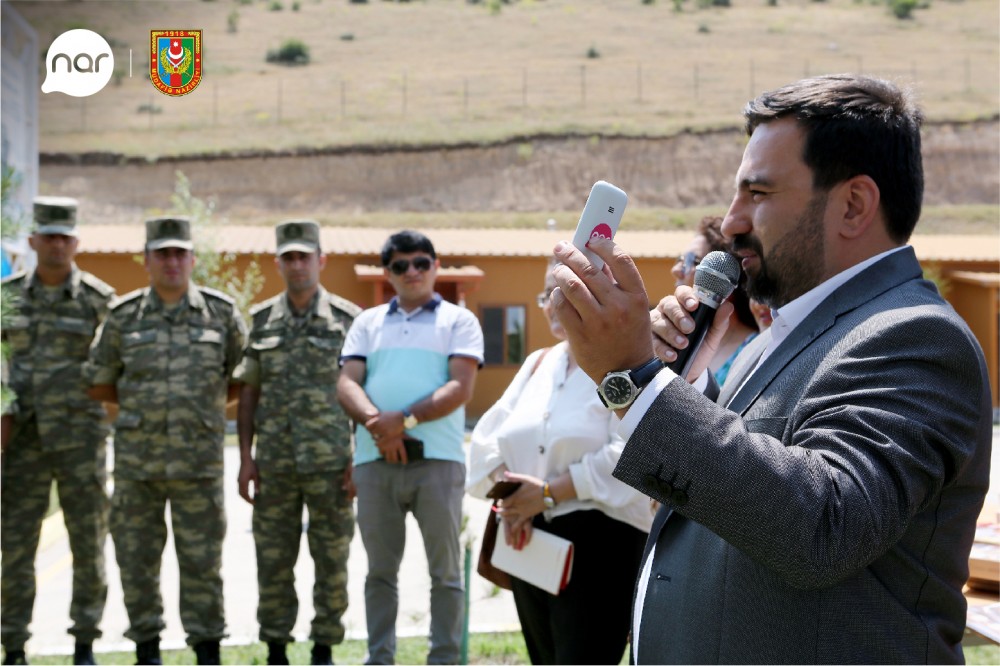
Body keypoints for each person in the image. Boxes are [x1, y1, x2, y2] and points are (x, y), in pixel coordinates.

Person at [549, 74, 992, 663]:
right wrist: (686, 386)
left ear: (854, 204)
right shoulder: (770, 341)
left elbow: (823, 526)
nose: (730, 221)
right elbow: (751, 481)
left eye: (757, 194)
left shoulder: (916, 337)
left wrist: (637, 382)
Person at [466, 261, 651, 665]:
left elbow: (633, 451)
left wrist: (549, 493)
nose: (551, 305)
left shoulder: (623, 362)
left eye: (561, 293)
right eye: (545, 295)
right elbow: (487, 440)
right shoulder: (538, 362)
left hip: (601, 541)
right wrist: (515, 500)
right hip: (528, 536)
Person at [86, 217, 247, 666]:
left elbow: (243, 380)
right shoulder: (123, 317)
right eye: (163, 253)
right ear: (147, 260)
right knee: (136, 563)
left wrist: (204, 409)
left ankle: (207, 649)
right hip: (139, 467)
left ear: (192, 259)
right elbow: (99, 383)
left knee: (202, 564)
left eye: (179, 253)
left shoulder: (221, 313)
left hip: (199, 466)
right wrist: (142, 413)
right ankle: (147, 649)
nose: (172, 262)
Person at [337, 230, 484, 665]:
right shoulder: (367, 323)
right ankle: (379, 658)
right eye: (400, 266)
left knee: (445, 573)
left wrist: (402, 420)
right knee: (379, 573)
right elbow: (347, 382)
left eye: (421, 262)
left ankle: (443, 659)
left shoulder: (459, 321)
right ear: (388, 273)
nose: (412, 272)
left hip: (437, 462)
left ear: (436, 266)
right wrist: (377, 426)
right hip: (374, 460)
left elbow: (460, 387)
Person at [234, 220, 360, 666]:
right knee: (273, 561)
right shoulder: (262, 321)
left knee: (331, 560)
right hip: (276, 467)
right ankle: (275, 648)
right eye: (289, 257)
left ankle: (324, 648)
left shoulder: (349, 320)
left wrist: (358, 458)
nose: (297, 264)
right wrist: (246, 458)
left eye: (305, 256)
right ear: (279, 264)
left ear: (320, 260)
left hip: (332, 465)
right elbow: (249, 392)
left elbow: (366, 392)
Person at [1, 198, 115, 666]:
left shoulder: (98, 299)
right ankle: (13, 646)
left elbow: (116, 367)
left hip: (80, 443)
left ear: (76, 243)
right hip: (21, 443)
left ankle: (84, 642)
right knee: (14, 547)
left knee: (88, 543)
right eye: (48, 236)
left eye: (65, 237)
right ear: (32, 241)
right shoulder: (6, 297)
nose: (56, 245)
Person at [669, 215, 759, 386]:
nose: (676, 270)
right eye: (680, 259)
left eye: (691, 261)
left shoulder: (756, 351)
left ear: (727, 279)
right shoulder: (671, 340)